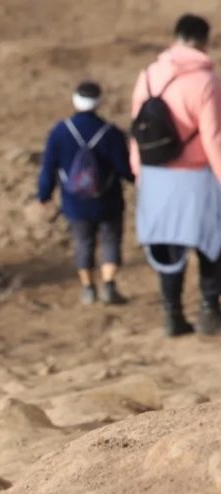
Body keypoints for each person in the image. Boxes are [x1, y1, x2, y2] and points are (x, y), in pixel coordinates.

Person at [131, 14, 221, 336]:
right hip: (196, 175)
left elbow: (137, 129)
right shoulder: (206, 81)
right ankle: (210, 311)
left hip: (156, 176)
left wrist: (139, 172)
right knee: (212, 246)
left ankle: (173, 315)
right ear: (203, 40)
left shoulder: (149, 75)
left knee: (168, 250)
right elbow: (213, 136)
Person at [38, 81, 134, 305]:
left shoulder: (59, 132)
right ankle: (109, 284)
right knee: (111, 239)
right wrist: (138, 181)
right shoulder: (111, 132)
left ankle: (88, 288)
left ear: (75, 99)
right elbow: (124, 168)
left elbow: (48, 168)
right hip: (108, 198)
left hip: (75, 201)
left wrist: (44, 195)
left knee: (83, 241)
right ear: (100, 101)